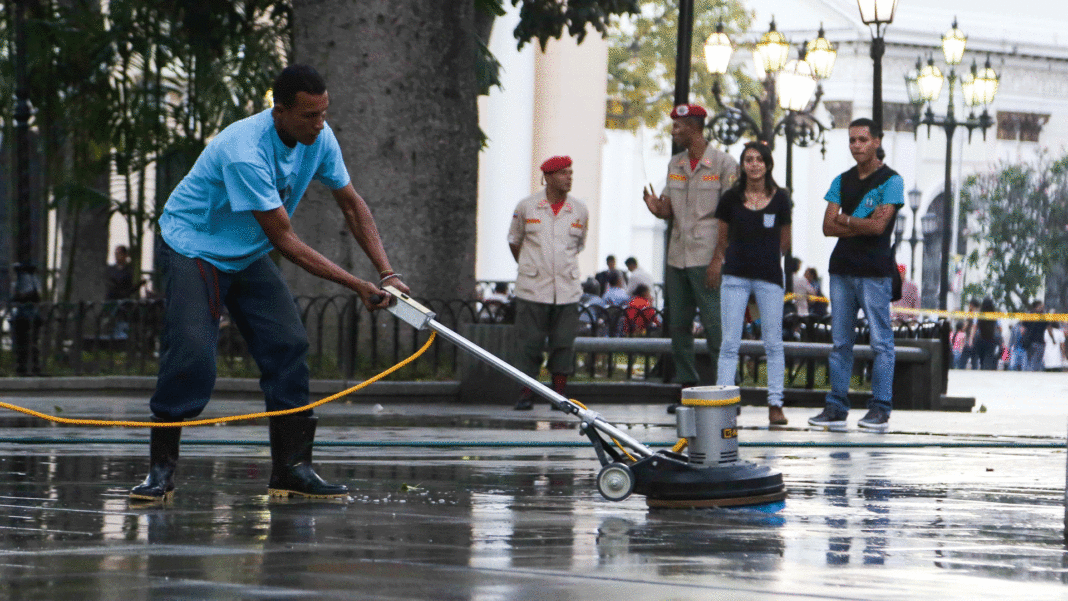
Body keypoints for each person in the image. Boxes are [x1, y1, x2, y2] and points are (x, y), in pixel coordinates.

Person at [130, 65, 408, 503]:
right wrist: (357, 284)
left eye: (323, 113)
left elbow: (352, 206)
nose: (319, 124)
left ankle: (292, 470)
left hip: (246, 250)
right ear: (279, 111)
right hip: (194, 245)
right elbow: (286, 240)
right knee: (192, 353)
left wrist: (387, 272)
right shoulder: (244, 149)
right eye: (309, 116)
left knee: (288, 344)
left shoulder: (320, 138)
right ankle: (160, 470)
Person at [808, 118, 904, 432]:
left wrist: (845, 220)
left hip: (875, 272)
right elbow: (826, 226)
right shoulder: (841, 180)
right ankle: (836, 407)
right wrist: (857, 222)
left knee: (881, 343)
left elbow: (880, 228)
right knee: (840, 343)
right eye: (852, 140)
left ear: (877, 141)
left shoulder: (892, 180)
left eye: (863, 139)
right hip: (842, 270)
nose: (857, 146)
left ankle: (880, 408)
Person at [642, 103, 737, 413]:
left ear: (695, 127)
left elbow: (730, 217)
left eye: (678, 126)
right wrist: (656, 206)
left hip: (707, 256)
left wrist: (718, 259)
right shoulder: (676, 164)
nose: (674, 131)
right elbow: (669, 208)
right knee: (678, 325)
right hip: (677, 256)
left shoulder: (723, 164)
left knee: (714, 326)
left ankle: (725, 390)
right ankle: (687, 386)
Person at [708, 141, 791, 426]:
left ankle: (775, 403)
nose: (754, 164)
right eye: (748, 159)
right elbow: (722, 238)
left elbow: (785, 241)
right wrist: (722, 261)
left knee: (773, 342)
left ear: (768, 164)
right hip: (735, 276)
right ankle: (723, 402)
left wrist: (766, 259)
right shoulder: (731, 198)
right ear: (742, 165)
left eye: (759, 159)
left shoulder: (781, 199)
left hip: (769, 277)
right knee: (730, 342)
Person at [508, 155, 589, 410]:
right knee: (529, 344)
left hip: (566, 288)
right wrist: (529, 267)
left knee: (563, 344)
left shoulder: (579, 209)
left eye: (571, 172)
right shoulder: (527, 207)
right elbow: (514, 241)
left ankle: (560, 395)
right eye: (564, 173)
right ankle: (525, 393)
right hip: (533, 287)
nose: (569, 178)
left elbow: (578, 245)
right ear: (549, 177)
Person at [975, 297, 1000, 370]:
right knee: (990, 356)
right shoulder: (994, 315)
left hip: (981, 338)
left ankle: (983, 368)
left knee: (982, 359)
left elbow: (975, 326)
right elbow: (998, 327)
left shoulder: (980, 314)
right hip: (992, 339)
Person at [1022, 299, 1047, 371]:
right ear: (1037, 306)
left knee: (1030, 361)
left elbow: (1023, 329)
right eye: (1042, 306)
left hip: (1029, 343)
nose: (1043, 307)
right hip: (1039, 342)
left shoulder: (1029, 315)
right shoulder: (1043, 317)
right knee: (1036, 363)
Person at [960, 298, 980, 369]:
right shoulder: (979, 314)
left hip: (971, 340)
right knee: (974, 361)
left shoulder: (973, 314)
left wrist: (970, 340)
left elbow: (972, 327)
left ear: (971, 305)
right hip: (976, 340)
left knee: (962, 361)